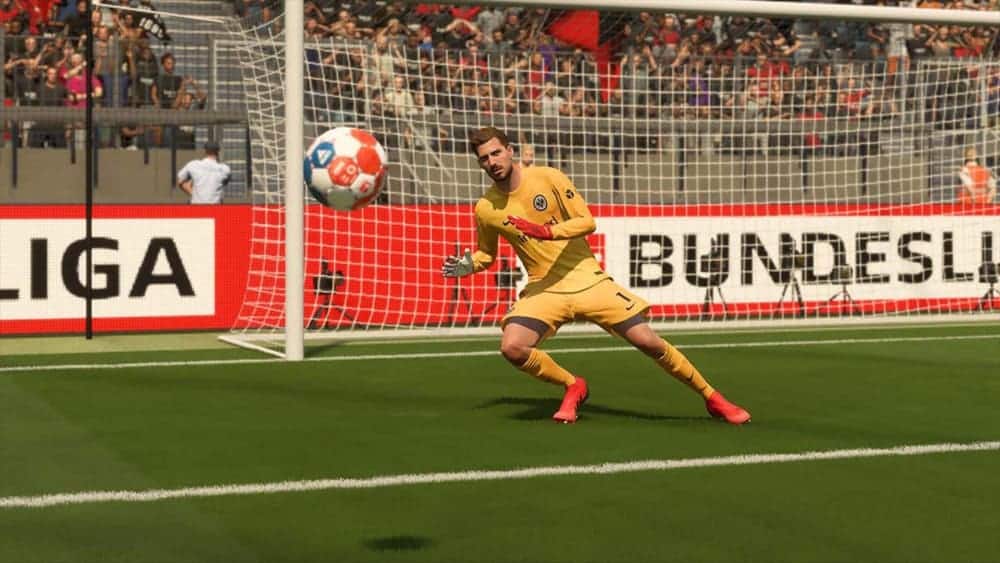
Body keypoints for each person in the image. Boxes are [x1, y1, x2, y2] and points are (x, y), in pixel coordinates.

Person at [441, 127, 751, 424]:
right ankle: (573, 385)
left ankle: (712, 397)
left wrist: (547, 232)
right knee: (512, 346)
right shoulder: (486, 208)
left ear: (510, 151)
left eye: (496, 153)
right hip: (544, 288)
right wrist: (469, 265)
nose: (492, 162)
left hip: (587, 278)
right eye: (484, 158)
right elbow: (487, 255)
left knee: (648, 341)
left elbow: (587, 221)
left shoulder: (548, 177)